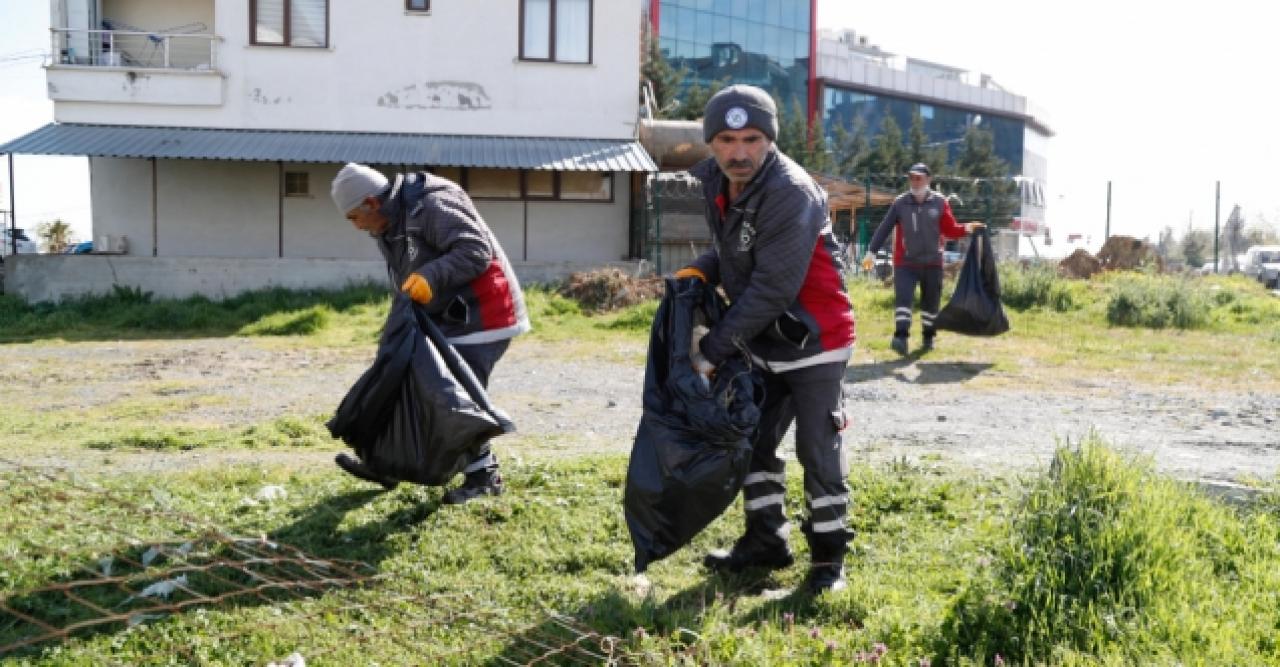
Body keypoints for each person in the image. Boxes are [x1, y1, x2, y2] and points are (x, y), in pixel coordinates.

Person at [676, 85, 857, 593]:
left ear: (770, 140)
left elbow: (772, 287)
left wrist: (712, 350)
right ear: (711, 143)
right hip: (763, 341)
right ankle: (765, 540)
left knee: (816, 448)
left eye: (752, 139)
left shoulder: (789, 192)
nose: (739, 152)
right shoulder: (715, 178)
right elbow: (735, 251)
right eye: (727, 139)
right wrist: (701, 269)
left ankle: (828, 564)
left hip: (816, 339)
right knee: (751, 438)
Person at [329, 163, 530, 504]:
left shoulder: (431, 205)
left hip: (484, 313)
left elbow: (475, 251)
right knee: (403, 377)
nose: (355, 226)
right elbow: (406, 280)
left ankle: (485, 477)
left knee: (451, 397)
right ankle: (388, 464)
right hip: (444, 315)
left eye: (353, 217)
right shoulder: (388, 226)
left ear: (371, 203)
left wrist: (431, 277)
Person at [862, 163, 984, 355]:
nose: (915, 181)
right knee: (904, 300)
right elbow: (884, 227)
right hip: (906, 263)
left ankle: (928, 337)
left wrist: (968, 228)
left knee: (931, 303)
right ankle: (900, 337)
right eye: (912, 177)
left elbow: (950, 229)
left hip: (932, 263)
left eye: (919, 178)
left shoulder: (940, 202)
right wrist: (871, 252)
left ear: (928, 180)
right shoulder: (900, 203)